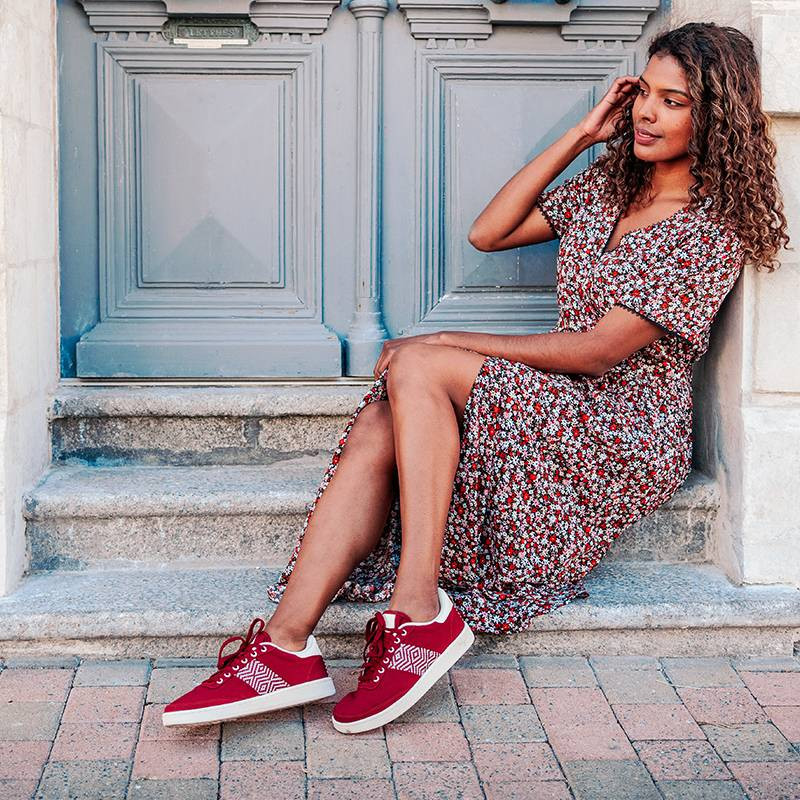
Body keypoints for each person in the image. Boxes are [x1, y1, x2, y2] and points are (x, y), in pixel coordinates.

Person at [163, 21, 789, 734]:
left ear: (715, 114)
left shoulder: (710, 228)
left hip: (622, 428)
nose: (646, 112)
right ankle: (284, 647)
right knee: (384, 414)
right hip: (557, 400)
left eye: (673, 101)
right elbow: (490, 232)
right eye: (644, 92)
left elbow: (599, 352)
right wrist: (583, 136)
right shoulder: (611, 187)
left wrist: (443, 339)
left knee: (420, 364)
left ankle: (419, 610)